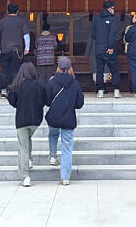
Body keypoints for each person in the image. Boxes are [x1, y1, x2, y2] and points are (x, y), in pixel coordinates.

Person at [45, 55, 85, 186]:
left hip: (54, 117)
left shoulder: (51, 82)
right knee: (67, 148)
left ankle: (52, 155)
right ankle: (65, 177)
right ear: (70, 68)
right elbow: (79, 104)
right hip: (68, 118)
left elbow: (47, 101)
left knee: (53, 134)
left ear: (58, 68)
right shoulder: (75, 84)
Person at [6, 60, 46, 187]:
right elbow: (44, 100)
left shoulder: (18, 85)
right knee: (27, 139)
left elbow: (12, 101)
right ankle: (29, 159)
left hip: (22, 120)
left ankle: (25, 176)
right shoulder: (39, 84)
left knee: (23, 146)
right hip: (36, 120)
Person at [0, 3, 31, 97]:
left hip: (4, 49)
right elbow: (26, 35)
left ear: (7, 11)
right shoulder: (20, 21)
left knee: (4, 70)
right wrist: (27, 48)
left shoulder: (2, 21)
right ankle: (14, 90)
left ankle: (3, 90)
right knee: (16, 70)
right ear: (17, 11)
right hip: (17, 50)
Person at [91, 0, 121, 99]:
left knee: (100, 70)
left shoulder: (96, 19)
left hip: (99, 48)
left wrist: (100, 43)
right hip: (109, 49)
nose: (114, 10)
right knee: (114, 70)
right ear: (109, 9)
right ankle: (116, 91)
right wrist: (111, 47)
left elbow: (93, 35)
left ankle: (100, 91)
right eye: (113, 8)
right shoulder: (113, 20)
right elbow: (112, 34)